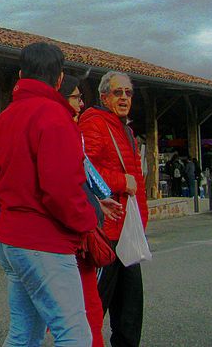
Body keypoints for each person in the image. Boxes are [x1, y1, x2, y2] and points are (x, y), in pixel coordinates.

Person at [0, 43, 97, 346]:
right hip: (42, 241)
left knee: (24, 334)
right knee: (74, 334)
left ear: (21, 74)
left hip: (8, 239)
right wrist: (87, 221)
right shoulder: (56, 118)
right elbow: (60, 191)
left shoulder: (3, 120)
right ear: (60, 80)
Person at [79, 71, 148, 347]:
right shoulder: (94, 123)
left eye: (128, 93)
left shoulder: (126, 130)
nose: (123, 98)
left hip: (127, 232)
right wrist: (121, 181)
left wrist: (142, 220)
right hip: (105, 233)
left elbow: (136, 180)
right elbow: (84, 168)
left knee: (130, 312)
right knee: (94, 310)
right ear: (104, 95)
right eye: (117, 92)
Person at [59, 74, 122, 347]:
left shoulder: (72, 129)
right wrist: (91, 209)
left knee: (86, 308)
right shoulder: (65, 131)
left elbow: (84, 169)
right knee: (84, 309)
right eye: (76, 97)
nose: (81, 104)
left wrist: (100, 198)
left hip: (81, 227)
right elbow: (72, 177)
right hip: (75, 235)